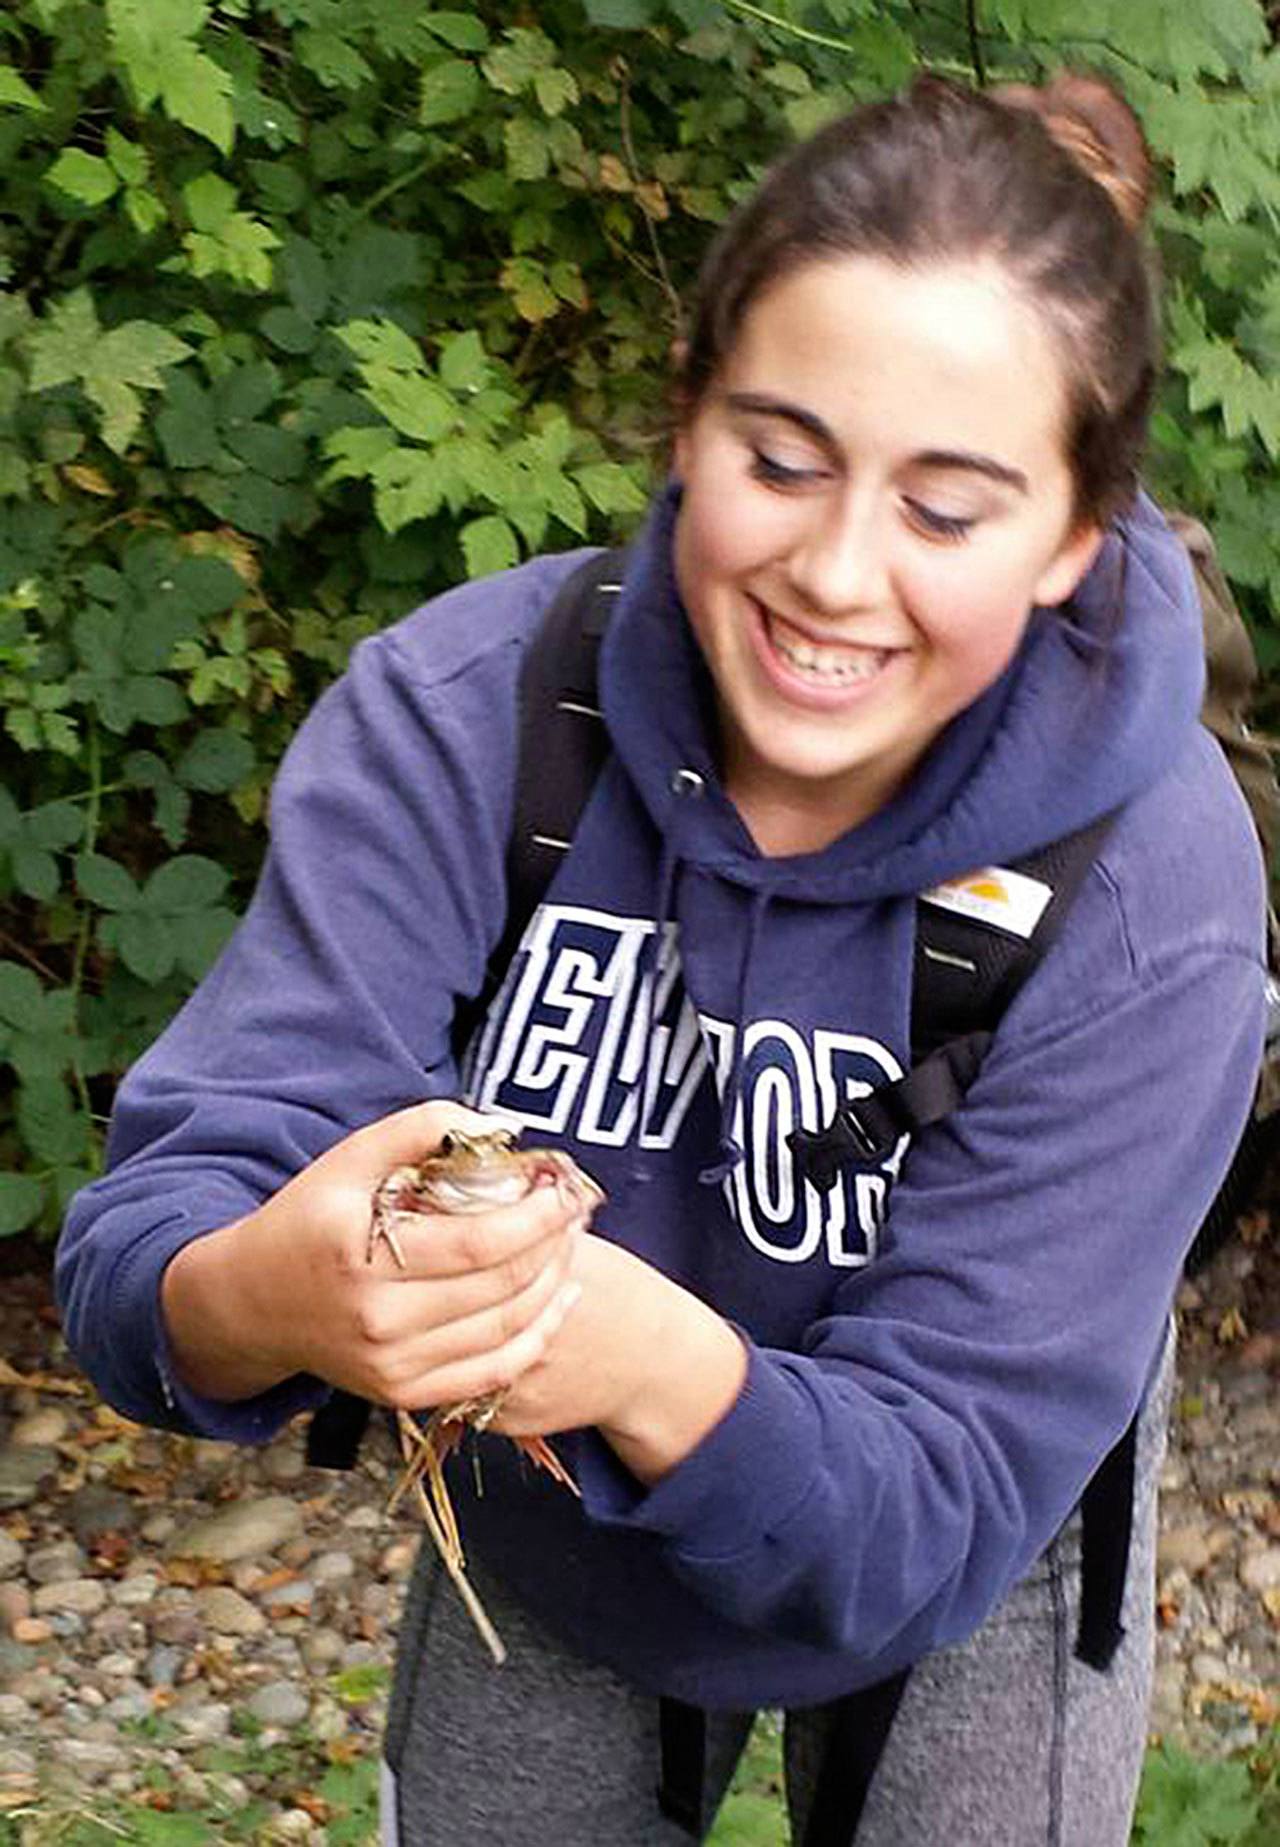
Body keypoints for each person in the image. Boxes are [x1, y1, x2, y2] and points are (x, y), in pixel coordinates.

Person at [57, 70, 1267, 1847]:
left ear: (1077, 536)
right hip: (551, 1530)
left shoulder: (1154, 876)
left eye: (947, 509)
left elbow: (940, 1492)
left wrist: (644, 1362)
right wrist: (277, 1292)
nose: (836, 573)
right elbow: (153, 1241)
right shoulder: (468, 716)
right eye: (779, 460)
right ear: (685, 420)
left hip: (971, 1534)